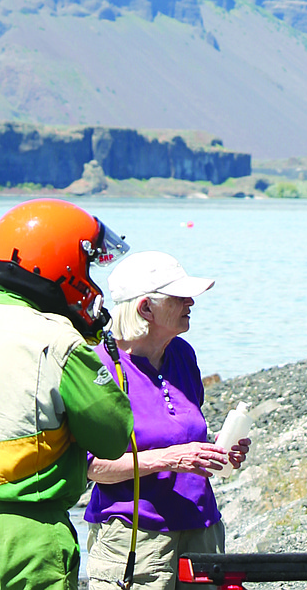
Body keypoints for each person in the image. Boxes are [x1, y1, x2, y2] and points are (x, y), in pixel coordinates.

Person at [0, 199, 133, 590]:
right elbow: (113, 436)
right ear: (63, 265)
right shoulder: (58, 340)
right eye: (87, 266)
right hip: (27, 533)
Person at [84, 250, 251, 590]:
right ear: (145, 308)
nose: (191, 302)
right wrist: (172, 459)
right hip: (134, 537)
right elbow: (90, 466)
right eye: (179, 297)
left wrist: (217, 453)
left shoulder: (182, 353)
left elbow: (184, 435)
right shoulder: (100, 367)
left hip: (200, 526)